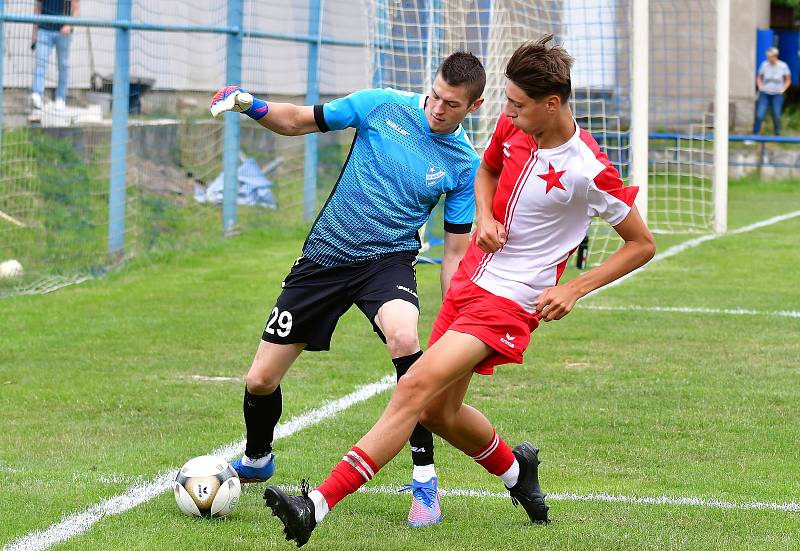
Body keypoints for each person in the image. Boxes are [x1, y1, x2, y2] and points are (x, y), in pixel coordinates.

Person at [262, 35, 656, 548]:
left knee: (413, 385)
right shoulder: (511, 129)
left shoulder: (589, 170)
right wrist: (487, 216)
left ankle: (315, 505)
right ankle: (518, 473)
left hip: (512, 301)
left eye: (518, 105)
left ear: (551, 104)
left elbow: (641, 244)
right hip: (471, 280)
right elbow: (487, 169)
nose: (507, 114)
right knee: (437, 413)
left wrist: (576, 288)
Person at [209, 52, 486, 527]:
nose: (439, 108)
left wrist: (453, 316)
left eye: (452, 105)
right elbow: (298, 121)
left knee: (405, 337)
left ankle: (424, 481)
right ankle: (257, 458)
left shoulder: (464, 164)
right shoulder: (380, 105)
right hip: (324, 259)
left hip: (387, 263)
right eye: (436, 96)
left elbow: (457, 252)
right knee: (260, 380)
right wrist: (247, 103)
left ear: (474, 106)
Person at [31, 0, 79, 111]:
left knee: (63, 66)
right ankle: (37, 95)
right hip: (44, 30)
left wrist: (69, 26)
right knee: (40, 63)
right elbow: (37, 9)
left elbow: (76, 10)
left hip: (63, 33)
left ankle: (60, 99)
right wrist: (34, 33)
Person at [753, 46, 791, 136]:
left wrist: (783, 89)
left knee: (776, 116)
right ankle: (755, 135)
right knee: (759, 115)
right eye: (768, 56)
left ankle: (777, 135)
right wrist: (760, 86)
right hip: (765, 94)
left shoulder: (783, 66)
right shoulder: (764, 65)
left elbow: (788, 79)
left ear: (775, 56)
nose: (768, 58)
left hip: (777, 94)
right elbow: (759, 77)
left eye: (770, 56)